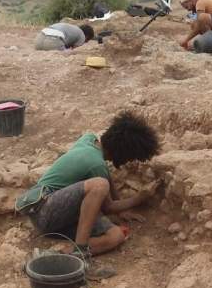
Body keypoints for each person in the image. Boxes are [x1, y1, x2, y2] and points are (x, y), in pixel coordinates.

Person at [16, 111, 161, 263]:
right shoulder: (96, 164)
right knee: (99, 185)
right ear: (123, 153)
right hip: (44, 210)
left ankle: (55, 255)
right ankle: (81, 251)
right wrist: (140, 198)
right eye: (129, 158)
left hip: (61, 214)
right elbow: (108, 207)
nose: (127, 162)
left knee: (116, 236)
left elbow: (104, 172)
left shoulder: (89, 139)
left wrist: (123, 210)